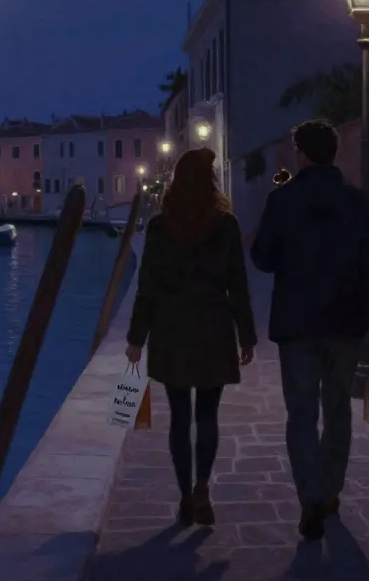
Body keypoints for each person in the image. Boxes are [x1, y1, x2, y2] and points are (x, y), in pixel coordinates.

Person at [250, 119, 369, 542]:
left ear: (303, 153)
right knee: (337, 411)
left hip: (297, 326)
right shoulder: (358, 203)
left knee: (300, 414)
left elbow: (262, 257)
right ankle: (330, 491)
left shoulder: (284, 200)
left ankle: (310, 497)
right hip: (346, 323)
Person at [125, 147, 257, 528]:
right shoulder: (226, 225)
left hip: (172, 331)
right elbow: (238, 285)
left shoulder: (160, 227)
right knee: (208, 414)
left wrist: (136, 338)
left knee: (179, 417)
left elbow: (146, 288)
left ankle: (185, 497)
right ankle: (202, 488)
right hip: (214, 328)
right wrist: (246, 335)